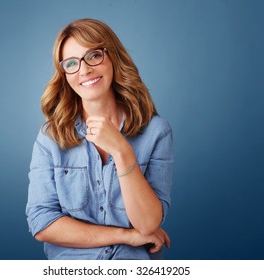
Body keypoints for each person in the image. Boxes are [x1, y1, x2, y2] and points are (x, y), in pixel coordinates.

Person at [26, 18, 173, 260]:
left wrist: (122, 151)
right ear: (64, 74)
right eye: (71, 63)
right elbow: (42, 223)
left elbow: (147, 224)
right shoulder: (50, 138)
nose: (84, 70)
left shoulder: (156, 132)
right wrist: (125, 236)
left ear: (113, 57)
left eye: (94, 56)